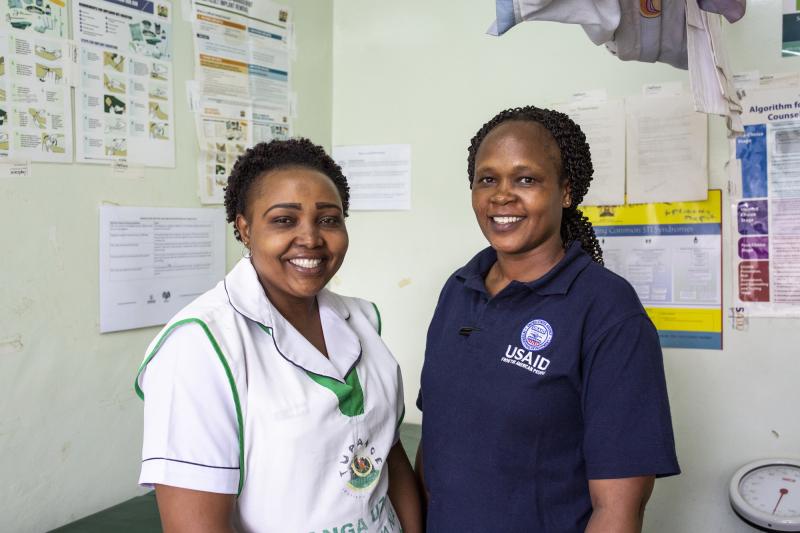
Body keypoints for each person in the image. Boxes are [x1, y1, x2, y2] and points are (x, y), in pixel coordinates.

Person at [135, 139, 422, 533]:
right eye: (284, 220)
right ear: (245, 229)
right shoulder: (200, 346)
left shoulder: (362, 319)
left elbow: (388, 454)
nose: (311, 239)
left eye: (328, 219)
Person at [415, 106, 680, 532]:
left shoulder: (608, 310)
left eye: (526, 179)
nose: (502, 196)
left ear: (567, 191)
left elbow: (617, 511)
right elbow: (437, 440)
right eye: (488, 179)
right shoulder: (459, 289)